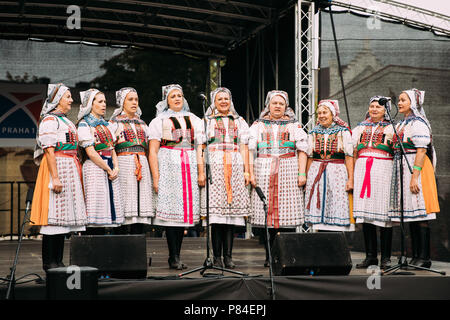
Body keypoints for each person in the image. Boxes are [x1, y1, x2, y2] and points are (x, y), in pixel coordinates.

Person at [30, 83, 87, 271]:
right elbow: (49, 150)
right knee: (53, 216)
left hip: (69, 166)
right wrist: (55, 177)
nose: (71, 100)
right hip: (57, 166)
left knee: (64, 219)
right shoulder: (50, 121)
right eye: (68, 96)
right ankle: (49, 263)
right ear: (57, 100)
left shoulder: (67, 121)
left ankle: (59, 261)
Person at [248, 90, 308, 267]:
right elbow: (249, 149)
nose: (277, 106)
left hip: (288, 170)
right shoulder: (258, 125)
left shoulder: (294, 125)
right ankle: (269, 256)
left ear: (286, 106)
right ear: (268, 105)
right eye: (274, 103)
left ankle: (284, 256)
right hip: (264, 170)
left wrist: (302, 173)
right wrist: (250, 173)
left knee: (286, 217)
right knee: (267, 215)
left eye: (281, 104)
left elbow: (303, 149)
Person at [148, 84, 205, 270]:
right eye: (173, 96)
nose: (177, 98)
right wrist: (156, 177)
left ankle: (177, 255)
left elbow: (200, 147)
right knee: (172, 216)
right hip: (168, 164)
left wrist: (201, 171)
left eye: (180, 95)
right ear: (166, 100)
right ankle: (173, 256)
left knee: (183, 216)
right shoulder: (159, 122)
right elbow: (153, 151)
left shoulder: (194, 119)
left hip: (188, 165)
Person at [200, 87, 251, 269]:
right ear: (214, 102)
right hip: (214, 165)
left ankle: (228, 256)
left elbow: (245, 147)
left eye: (226, 99)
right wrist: (201, 171)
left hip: (235, 166)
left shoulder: (240, 121)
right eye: (220, 99)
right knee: (216, 217)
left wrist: (247, 171)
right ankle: (217, 257)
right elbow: (202, 147)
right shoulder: (206, 121)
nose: (223, 102)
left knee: (230, 216)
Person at [389, 89, 440, 268]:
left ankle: (424, 257)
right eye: (400, 100)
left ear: (413, 103)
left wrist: (414, 176)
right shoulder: (403, 123)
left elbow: (421, 150)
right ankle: (415, 255)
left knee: (420, 213)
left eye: (403, 100)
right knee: (410, 214)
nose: (400, 103)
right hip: (404, 166)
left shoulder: (418, 123)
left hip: (415, 167)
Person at [352, 96, 395, 269]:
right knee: (365, 214)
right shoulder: (361, 127)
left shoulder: (392, 127)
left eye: (378, 107)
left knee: (384, 214)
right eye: (372, 106)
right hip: (363, 169)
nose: (374, 109)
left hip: (384, 169)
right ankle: (371, 256)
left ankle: (386, 257)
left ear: (386, 110)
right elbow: (352, 149)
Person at [77, 89, 124, 234]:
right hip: (94, 167)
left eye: (105, 101)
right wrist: (109, 169)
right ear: (90, 104)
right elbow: (90, 152)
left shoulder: (107, 125)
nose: (104, 104)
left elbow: (112, 148)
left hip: (109, 165)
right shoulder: (85, 125)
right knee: (96, 207)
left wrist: (116, 167)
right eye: (100, 101)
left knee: (109, 206)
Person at [304, 100, 355, 232]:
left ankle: (336, 239)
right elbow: (309, 156)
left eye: (325, 112)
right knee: (318, 203)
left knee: (336, 202)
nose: (321, 115)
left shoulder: (343, 131)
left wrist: (351, 179)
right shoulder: (313, 132)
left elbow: (349, 156)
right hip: (317, 170)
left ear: (332, 114)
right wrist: (307, 177)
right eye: (319, 113)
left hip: (337, 171)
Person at [109, 87, 153, 233]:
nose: (134, 102)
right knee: (125, 203)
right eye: (130, 99)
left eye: (136, 99)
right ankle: (120, 245)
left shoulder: (142, 123)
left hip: (142, 163)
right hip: (124, 163)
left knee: (140, 204)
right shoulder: (114, 123)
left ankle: (137, 241)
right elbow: (110, 148)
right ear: (122, 102)